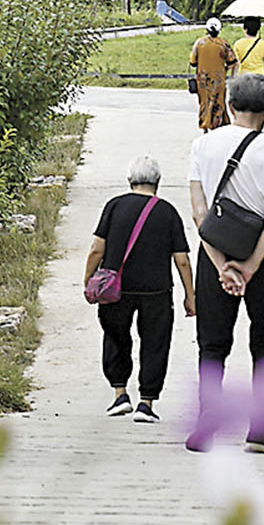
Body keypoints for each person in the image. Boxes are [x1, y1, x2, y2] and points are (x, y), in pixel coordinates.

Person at [186, 73, 264, 453]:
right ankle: (260, 430)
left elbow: (200, 215)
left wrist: (221, 267)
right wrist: (250, 267)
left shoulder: (203, 146)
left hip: (213, 251)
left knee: (212, 344)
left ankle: (207, 421)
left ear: (229, 106)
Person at [84, 155, 195, 423]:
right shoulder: (167, 212)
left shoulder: (114, 206)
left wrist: (88, 280)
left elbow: (97, 249)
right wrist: (190, 296)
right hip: (156, 291)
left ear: (130, 180)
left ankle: (120, 394)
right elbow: (181, 259)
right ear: (158, 182)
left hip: (115, 290)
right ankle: (146, 403)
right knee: (155, 343)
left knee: (115, 337)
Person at [189, 17, 236, 131]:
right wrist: (224, 70)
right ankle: (218, 125)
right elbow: (232, 62)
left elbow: (193, 62)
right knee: (219, 102)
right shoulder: (224, 44)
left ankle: (205, 126)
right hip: (219, 80)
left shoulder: (199, 43)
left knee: (204, 102)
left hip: (203, 80)